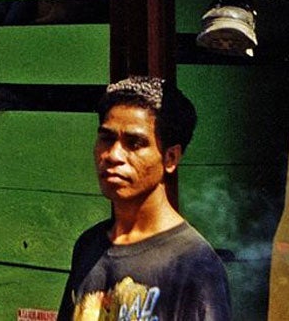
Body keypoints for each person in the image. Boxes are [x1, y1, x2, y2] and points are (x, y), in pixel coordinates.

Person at [58, 76, 230, 321]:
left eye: (134, 143)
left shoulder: (194, 265)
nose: (113, 155)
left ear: (170, 158)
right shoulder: (89, 245)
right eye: (106, 138)